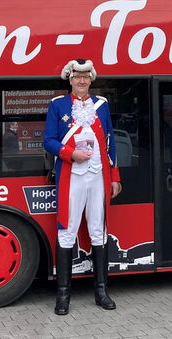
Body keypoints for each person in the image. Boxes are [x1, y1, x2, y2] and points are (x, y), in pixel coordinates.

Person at [43, 59, 122, 315]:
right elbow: (48, 141)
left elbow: (110, 141)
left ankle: (101, 291)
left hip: (98, 175)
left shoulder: (102, 105)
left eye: (86, 76)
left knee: (99, 230)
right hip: (72, 175)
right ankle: (63, 296)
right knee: (67, 230)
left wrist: (114, 176)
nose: (81, 80)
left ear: (91, 79)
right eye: (77, 76)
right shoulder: (58, 105)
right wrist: (70, 154)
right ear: (70, 79)